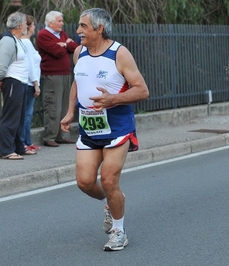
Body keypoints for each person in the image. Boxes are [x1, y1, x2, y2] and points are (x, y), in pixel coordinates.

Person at [60, 8, 149, 251]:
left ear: (100, 29)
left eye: (83, 26)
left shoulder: (119, 54)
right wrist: (70, 112)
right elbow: (78, 82)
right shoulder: (79, 52)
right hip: (89, 129)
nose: (78, 31)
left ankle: (119, 232)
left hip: (117, 128)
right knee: (85, 182)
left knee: (109, 181)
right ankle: (111, 202)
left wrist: (112, 99)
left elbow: (142, 90)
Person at [0, 12, 36, 160]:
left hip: (20, 82)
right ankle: (6, 151)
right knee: (10, 117)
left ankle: (18, 147)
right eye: (25, 23)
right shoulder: (8, 40)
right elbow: (1, 64)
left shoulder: (17, 39)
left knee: (19, 117)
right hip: (13, 82)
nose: (27, 26)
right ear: (20, 25)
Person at [36, 11, 78, 147]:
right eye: (59, 21)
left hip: (66, 73)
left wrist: (65, 44)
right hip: (52, 75)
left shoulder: (62, 34)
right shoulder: (43, 35)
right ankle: (50, 136)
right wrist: (65, 45)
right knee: (53, 105)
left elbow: (74, 47)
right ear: (51, 22)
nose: (62, 24)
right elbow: (57, 52)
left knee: (65, 105)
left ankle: (63, 135)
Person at [20, 15, 41, 152]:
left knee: (28, 114)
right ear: (28, 26)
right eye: (33, 25)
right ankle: (23, 142)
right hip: (29, 83)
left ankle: (27, 140)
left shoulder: (26, 42)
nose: (35, 27)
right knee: (26, 115)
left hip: (29, 83)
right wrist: (36, 84)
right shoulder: (26, 43)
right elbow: (29, 66)